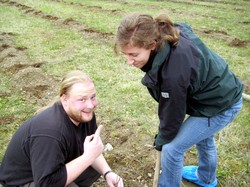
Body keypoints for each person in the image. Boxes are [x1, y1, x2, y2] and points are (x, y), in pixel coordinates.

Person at [114, 13, 244, 187]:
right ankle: (206, 178)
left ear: (152, 45)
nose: (129, 61)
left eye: (134, 55)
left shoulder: (173, 73)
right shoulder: (165, 33)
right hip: (219, 91)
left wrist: (162, 140)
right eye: (125, 54)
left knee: (171, 149)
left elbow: (172, 117)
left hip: (221, 104)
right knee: (203, 137)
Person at [0, 70, 124, 187]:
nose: (91, 105)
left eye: (92, 97)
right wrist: (88, 157)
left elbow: (92, 150)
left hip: (47, 170)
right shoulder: (50, 132)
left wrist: (107, 172)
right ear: (64, 99)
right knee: (85, 162)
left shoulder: (84, 115)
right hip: (24, 181)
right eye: (82, 99)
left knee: (90, 168)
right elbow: (46, 184)